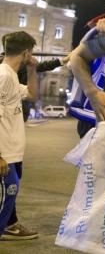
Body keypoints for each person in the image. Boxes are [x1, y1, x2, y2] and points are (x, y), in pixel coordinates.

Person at [0, 31, 38, 240]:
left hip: (12, 154)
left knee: (9, 198)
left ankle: (8, 228)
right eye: (30, 55)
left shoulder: (12, 75)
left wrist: (33, 69)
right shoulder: (3, 76)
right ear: (25, 52)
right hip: (3, 155)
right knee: (7, 197)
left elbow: (32, 95)